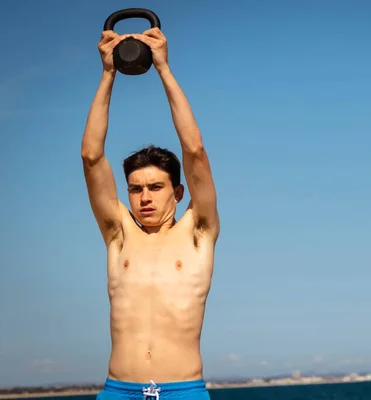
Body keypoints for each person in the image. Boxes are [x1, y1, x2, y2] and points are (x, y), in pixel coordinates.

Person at [81, 27, 219, 400]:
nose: (144, 198)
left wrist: (164, 69)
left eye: (155, 188)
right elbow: (91, 157)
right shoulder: (119, 234)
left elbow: (195, 151)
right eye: (136, 189)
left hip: (183, 390)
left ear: (177, 192)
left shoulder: (198, 230)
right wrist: (108, 73)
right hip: (118, 390)